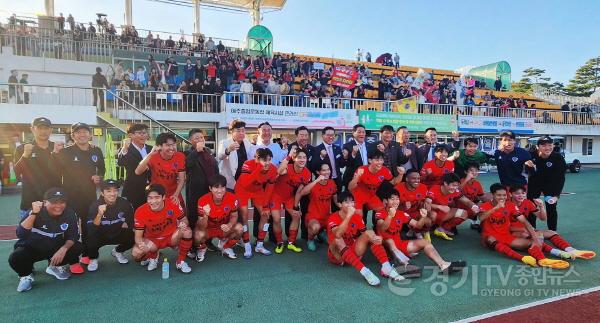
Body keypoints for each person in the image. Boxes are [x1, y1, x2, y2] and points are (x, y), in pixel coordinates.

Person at [376, 186, 466, 273]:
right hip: (385, 247)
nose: (396, 201)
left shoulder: (401, 214)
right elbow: (382, 228)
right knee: (390, 241)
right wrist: (390, 216)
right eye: (392, 199)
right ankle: (404, 266)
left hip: (399, 245)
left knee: (425, 242)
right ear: (385, 201)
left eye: (397, 199)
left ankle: (443, 265)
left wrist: (423, 217)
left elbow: (417, 226)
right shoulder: (380, 213)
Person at [8, 188, 83, 292]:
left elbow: (73, 235)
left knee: (77, 247)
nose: (59, 206)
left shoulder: (69, 213)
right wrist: (34, 213)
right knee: (16, 257)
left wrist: (63, 249)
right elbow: (21, 233)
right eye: (54, 202)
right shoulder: (34, 211)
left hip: (53, 248)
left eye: (62, 202)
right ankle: (26, 276)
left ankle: (54, 267)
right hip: (32, 248)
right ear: (44, 202)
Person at [478, 183, 569, 269]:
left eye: (504, 195)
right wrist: (496, 208)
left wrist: (535, 238)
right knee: (490, 238)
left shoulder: (510, 205)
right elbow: (481, 218)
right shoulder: (484, 205)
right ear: (492, 195)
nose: (502, 198)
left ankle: (544, 259)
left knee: (534, 241)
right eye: (499, 195)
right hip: (490, 237)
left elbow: (525, 222)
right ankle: (522, 258)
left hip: (506, 236)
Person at [51, 122, 105, 266]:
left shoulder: (96, 150)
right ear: (73, 135)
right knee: (69, 227)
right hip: (70, 196)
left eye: (85, 132)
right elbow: (54, 170)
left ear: (90, 134)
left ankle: (88, 254)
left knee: (89, 226)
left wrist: (98, 176)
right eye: (78, 132)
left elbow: (102, 169)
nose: (82, 135)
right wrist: (55, 153)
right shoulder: (66, 151)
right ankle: (72, 259)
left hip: (89, 196)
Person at [326, 191, 404, 286]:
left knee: (370, 233)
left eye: (352, 202)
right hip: (338, 256)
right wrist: (348, 216)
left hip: (354, 253)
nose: (350, 205)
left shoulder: (357, 217)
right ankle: (365, 272)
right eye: (347, 202)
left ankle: (386, 267)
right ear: (339, 204)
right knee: (337, 239)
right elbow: (338, 234)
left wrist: (375, 238)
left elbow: (365, 234)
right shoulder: (333, 218)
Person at [509, 185, 595, 260]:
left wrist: (541, 206)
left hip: (527, 229)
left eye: (523, 193)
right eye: (517, 193)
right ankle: (554, 254)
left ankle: (572, 250)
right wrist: (525, 229)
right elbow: (504, 226)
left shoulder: (527, 203)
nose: (520, 195)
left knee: (551, 232)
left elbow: (543, 218)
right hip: (511, 232)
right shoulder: (507, 205)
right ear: (510, 194)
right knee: (532, 235)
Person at [132, 184, 193, 273]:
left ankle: (181, 261)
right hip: (153, 240)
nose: (153, 201)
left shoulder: (173, 203)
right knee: (136, 253)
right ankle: (153, 255)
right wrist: (142, 245)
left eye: (157, 197)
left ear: (163, 197)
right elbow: (138, 236)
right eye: (150, 198)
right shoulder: (140, 211)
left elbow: (184, 220)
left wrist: (183, 224)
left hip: (172, 237)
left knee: (187, 231)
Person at [234, 148, 278, 258]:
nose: (267, 162)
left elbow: (269, 188)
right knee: (244, 216)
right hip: (242, 190)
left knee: (265, 214)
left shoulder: (272, 168)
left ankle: (260, 244)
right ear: (256, 159)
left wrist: (266, 205)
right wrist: (259, 168)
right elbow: (245, 183)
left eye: (269, 159)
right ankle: (247, 243)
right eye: (264, 159)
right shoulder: (248, 164)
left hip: (258, 190)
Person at [14, 117, 60, 219]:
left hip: (54, 203)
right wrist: (25, 155)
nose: (43, 131)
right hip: (30, 203)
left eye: (46, 128)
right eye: (39, 128)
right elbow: (15, 175)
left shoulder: (57, 148)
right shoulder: (22, 149)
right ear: (32, 129)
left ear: (51, 130)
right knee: (27, 234)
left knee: (54, 234)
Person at [85, 180, 134, 271]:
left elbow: (131, 221)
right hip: (100, 235)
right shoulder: (95, 205)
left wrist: (127, 224)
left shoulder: (124, 203)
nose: (112, 194)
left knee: (132, 237)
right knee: (90, 239)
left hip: (117, 232)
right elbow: (91, 229)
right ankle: (93, 259)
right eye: (108, 191)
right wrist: (99, 214)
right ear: (102, 193)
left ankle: (117, 251)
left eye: (115, 190)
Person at [270, 147, 311, 253]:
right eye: (299, 157)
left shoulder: (307, 173)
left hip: (289, 197)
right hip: (276, 195)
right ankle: (279, 242)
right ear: (294, 158)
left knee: (297, 215)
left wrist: (296, 206)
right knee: (276, 219)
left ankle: (291, 242)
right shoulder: (287, 167)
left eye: (304, 157)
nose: (302, 160)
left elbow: (299, 192)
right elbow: (278, 171)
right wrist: (289, 156)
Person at [185, 129, 218, 257]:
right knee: (194, 218)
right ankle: (192, 245)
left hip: (209, 190)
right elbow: (186, 166)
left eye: (201, 138)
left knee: (208, 217)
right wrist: (196, 152)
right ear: (190, 141)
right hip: (195, 192)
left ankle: (208, 242)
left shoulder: (208, 151)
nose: (200, 140)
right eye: (196, 138)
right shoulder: (187, 153)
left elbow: (215, 167)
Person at [194, 175, 243, 261]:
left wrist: (229, 225)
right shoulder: (202, 200)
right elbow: (201, 227)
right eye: (216, 187)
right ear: (210, 188)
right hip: (208, 230)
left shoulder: (232, 197)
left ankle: (226, 247)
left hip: (223, 229)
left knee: (239, 228)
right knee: (197, 235)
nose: (220, 191)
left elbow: (234, 216)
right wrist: (205, 215)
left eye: (222, 187)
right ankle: (202, 248)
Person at [348, 149, 404, 224]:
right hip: (358, 196)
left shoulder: (384, 170)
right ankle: (358, 233)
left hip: (371, 195)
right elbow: (350, 187)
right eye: (377, 160)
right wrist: (357, 177)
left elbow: (394, 182)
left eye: (381, 160)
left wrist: (401, 174)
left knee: (382, 212)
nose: (380, 162)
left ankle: (379, 231)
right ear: (370, 160)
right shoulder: (361, 169)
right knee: (359, 217)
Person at [526, 136, 567, 231]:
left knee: (551, 208)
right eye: (544, 145)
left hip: (551, 185)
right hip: (535, 183)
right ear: (538, 146)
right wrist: (527, 165)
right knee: (532, 207)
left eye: (550, 145)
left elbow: (561, 178)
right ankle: (532, 230)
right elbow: (524, 168)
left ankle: (552, 231)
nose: (547, 148)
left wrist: (556, 195)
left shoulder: (558, 158)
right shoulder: (530, 156)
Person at [135, 132, 186, 206]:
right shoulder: (153, 156)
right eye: (168, 145)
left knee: (180, 216)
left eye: (173, 144)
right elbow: (138, 172)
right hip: (156, 194)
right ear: (159, 146)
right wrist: (150, 154)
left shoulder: (180, 156)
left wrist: (176, 195)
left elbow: (182, 179)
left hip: (174, 193)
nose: (171, 148)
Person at [426, 173, 480, 241]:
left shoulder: (455, 191)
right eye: (453, 185)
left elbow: (466, 200)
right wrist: (439, 206)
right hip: (430, 214)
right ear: (445, 183)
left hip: (443, 214)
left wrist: (474, 206)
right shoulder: (434, 189)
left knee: (464, 213)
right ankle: (425, 231)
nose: (455, 188)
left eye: (457, 186)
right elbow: (426, 204)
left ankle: (441, 229)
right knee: (433, 214)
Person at [298, 163, 338, 251]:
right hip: (313, 217)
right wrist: (316, 181)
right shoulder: (313, 184)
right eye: (324, 170)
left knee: (335, 238)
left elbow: (335, 197)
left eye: (328, 169)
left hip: (327, 217)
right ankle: (310, 240)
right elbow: (302, 193)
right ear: (318, 172)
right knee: (315, 227)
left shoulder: (332, 182)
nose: (327, 172)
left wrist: (339, 204)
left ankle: (321, 234)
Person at [117, 123, 152, 210]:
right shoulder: (126, 149)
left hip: (150, 188)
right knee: (133, 214)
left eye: (145, 133)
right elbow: (121, 162)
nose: (143, 135)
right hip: (133, 189)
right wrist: (125, 148)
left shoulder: (150, 149)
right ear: (130, 135)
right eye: (140, 133)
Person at [395, 169, 431, 240]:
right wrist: (403, 207)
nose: (417, 181)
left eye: (418, 178)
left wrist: (426, 204)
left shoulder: (423, 187)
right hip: (402, 214)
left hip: (416, 212)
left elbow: (425, 200)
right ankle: (414, 232)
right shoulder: (398, 188)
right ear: (407, 179)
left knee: (429, 219)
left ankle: (421, 231)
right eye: (414, 178)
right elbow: (391, 208)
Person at [217, 120, 253, 190]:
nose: (241, 133)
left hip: (244, 180)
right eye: (238, 131)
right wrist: (228, 150)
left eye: (243, 131)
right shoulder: (224, 143)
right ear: (231, 132)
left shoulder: (247, 143)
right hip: (229, 181)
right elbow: (220, 157)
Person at [457, 163, 489, 230]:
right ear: (466, 172)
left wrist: (491, 202)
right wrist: (466, 179)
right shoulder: (460, 181)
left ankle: (480, 224)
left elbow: (482, 197)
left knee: (486, 207)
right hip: (459, 207)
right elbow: (456, 191)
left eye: (476, 170)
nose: (474, 172)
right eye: (471, 170)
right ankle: (450, 226)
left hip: (471, 207)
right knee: (458, 217)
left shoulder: (477, 183)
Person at [342, 124, 370, 190]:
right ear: (353, 133)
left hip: (367, 177)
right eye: (359, 132)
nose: (362, 134)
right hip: (352, 177)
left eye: (363, 132)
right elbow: (346, 164)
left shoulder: (370, 145)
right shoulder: (347, 146)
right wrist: (353, 154)